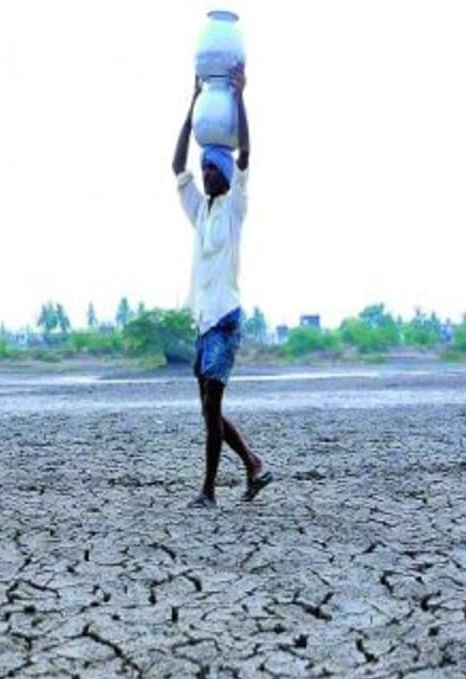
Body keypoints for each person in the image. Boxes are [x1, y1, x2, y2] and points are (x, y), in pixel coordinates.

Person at [171, 65, 273, 509]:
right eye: (204, 170)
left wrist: (240, 96)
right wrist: (192, 102)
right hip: (203, 319)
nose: (203, 174)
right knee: (208, 411)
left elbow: (246, 151)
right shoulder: (200, 211)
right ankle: (252, 464)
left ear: (223, 174)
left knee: (211, 408)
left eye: (209, 170)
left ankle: (209, 492)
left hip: (226, 319)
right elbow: (175, 166)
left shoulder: (233, 208)